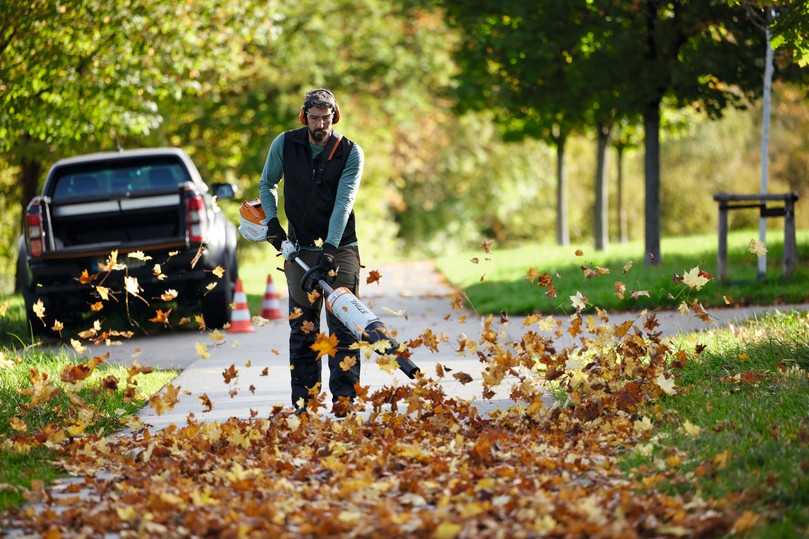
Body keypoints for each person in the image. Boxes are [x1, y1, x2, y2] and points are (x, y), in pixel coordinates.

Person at [258, 88, 364, 417]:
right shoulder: (286, 144)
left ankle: (344, 398)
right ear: (304, 116)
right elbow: (267, 184)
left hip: (340, 247)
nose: (320, 124)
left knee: (343, 325)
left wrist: (330, 250)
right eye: (314, 117)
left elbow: (343, 203)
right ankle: (304, 401)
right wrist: (272, 223)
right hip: (298, 248)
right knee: (303, 326)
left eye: (326, 118)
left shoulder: (349, 152)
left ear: (335, 116)